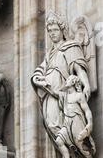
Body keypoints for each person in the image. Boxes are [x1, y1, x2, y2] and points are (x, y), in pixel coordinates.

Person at [31, 11, 90, 150]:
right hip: (49, 92)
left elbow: (79, 69)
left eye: (55, 30)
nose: (52, 33)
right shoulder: (50, 53)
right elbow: (41, 69)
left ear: (62, 30)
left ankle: (80, 155)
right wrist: (36, 79)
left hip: (63, 93)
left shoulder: (70, 46)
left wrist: (86, 85)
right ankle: (71, 156)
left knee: (68, 124)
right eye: (50, 31)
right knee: (51, 124)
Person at [55, 75, 95, 158]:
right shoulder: (65, 96)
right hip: (67, 122)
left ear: (73, 82)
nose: (66, 81)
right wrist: (43, 84)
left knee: (79, 142)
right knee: (59, 140)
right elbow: (55, 92)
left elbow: (86, 110)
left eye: (68, 79)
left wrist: (90, 123)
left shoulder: (79, 95)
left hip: (77, 121)